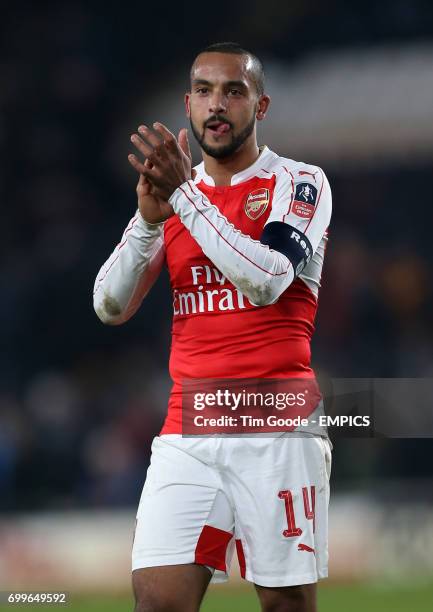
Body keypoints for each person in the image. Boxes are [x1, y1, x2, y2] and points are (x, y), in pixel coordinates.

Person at [93, 42, 332, 612]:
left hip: (277, 427)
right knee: (157, 601)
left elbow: (269, 278)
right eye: (203, 90)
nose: (216, 104)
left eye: (233, 91)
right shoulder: (176, 196)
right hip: (188, 428)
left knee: (286, 604)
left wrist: (183, 199)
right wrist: (150, 225)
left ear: (262, 105)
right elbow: (109, 305)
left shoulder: (300, 183)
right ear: (187, 103)